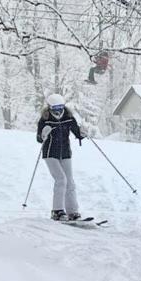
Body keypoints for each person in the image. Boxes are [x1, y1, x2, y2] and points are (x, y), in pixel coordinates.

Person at [37, 93, 85, 221]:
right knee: (61, 179)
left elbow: (77, 132)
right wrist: (43, 134)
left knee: (70, 181)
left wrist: (82, 133)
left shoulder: (68, 116)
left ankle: (73, 212)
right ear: (49, 108)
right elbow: (39, 138)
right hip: (50, 154)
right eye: (55, 108)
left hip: (65, 153)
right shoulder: (45, 119)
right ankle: (57, 211)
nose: (58, 111)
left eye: (60, 107)